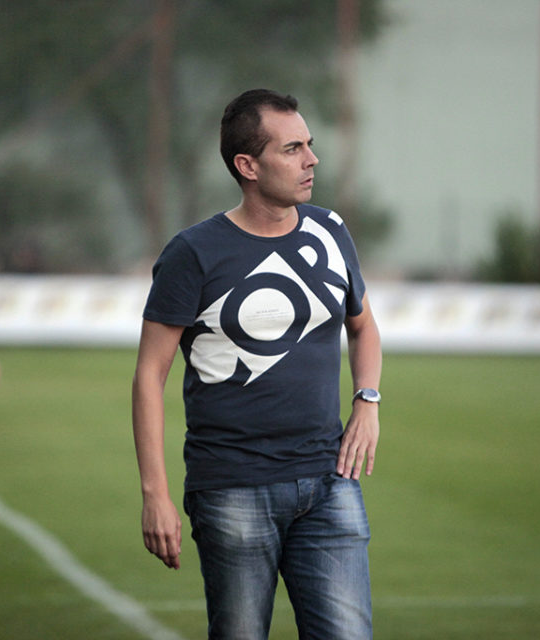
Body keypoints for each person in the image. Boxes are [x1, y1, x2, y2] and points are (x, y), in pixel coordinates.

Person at [132, 89, 383, 639]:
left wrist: (367, 400)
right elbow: (149, 375)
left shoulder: (330, 231)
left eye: (310, 145)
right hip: (231, 488)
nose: (312, 159)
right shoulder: (192, 253)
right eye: (293, 148)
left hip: (329, 481)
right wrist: (156, 495)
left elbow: (362, 327)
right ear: (248, 165)